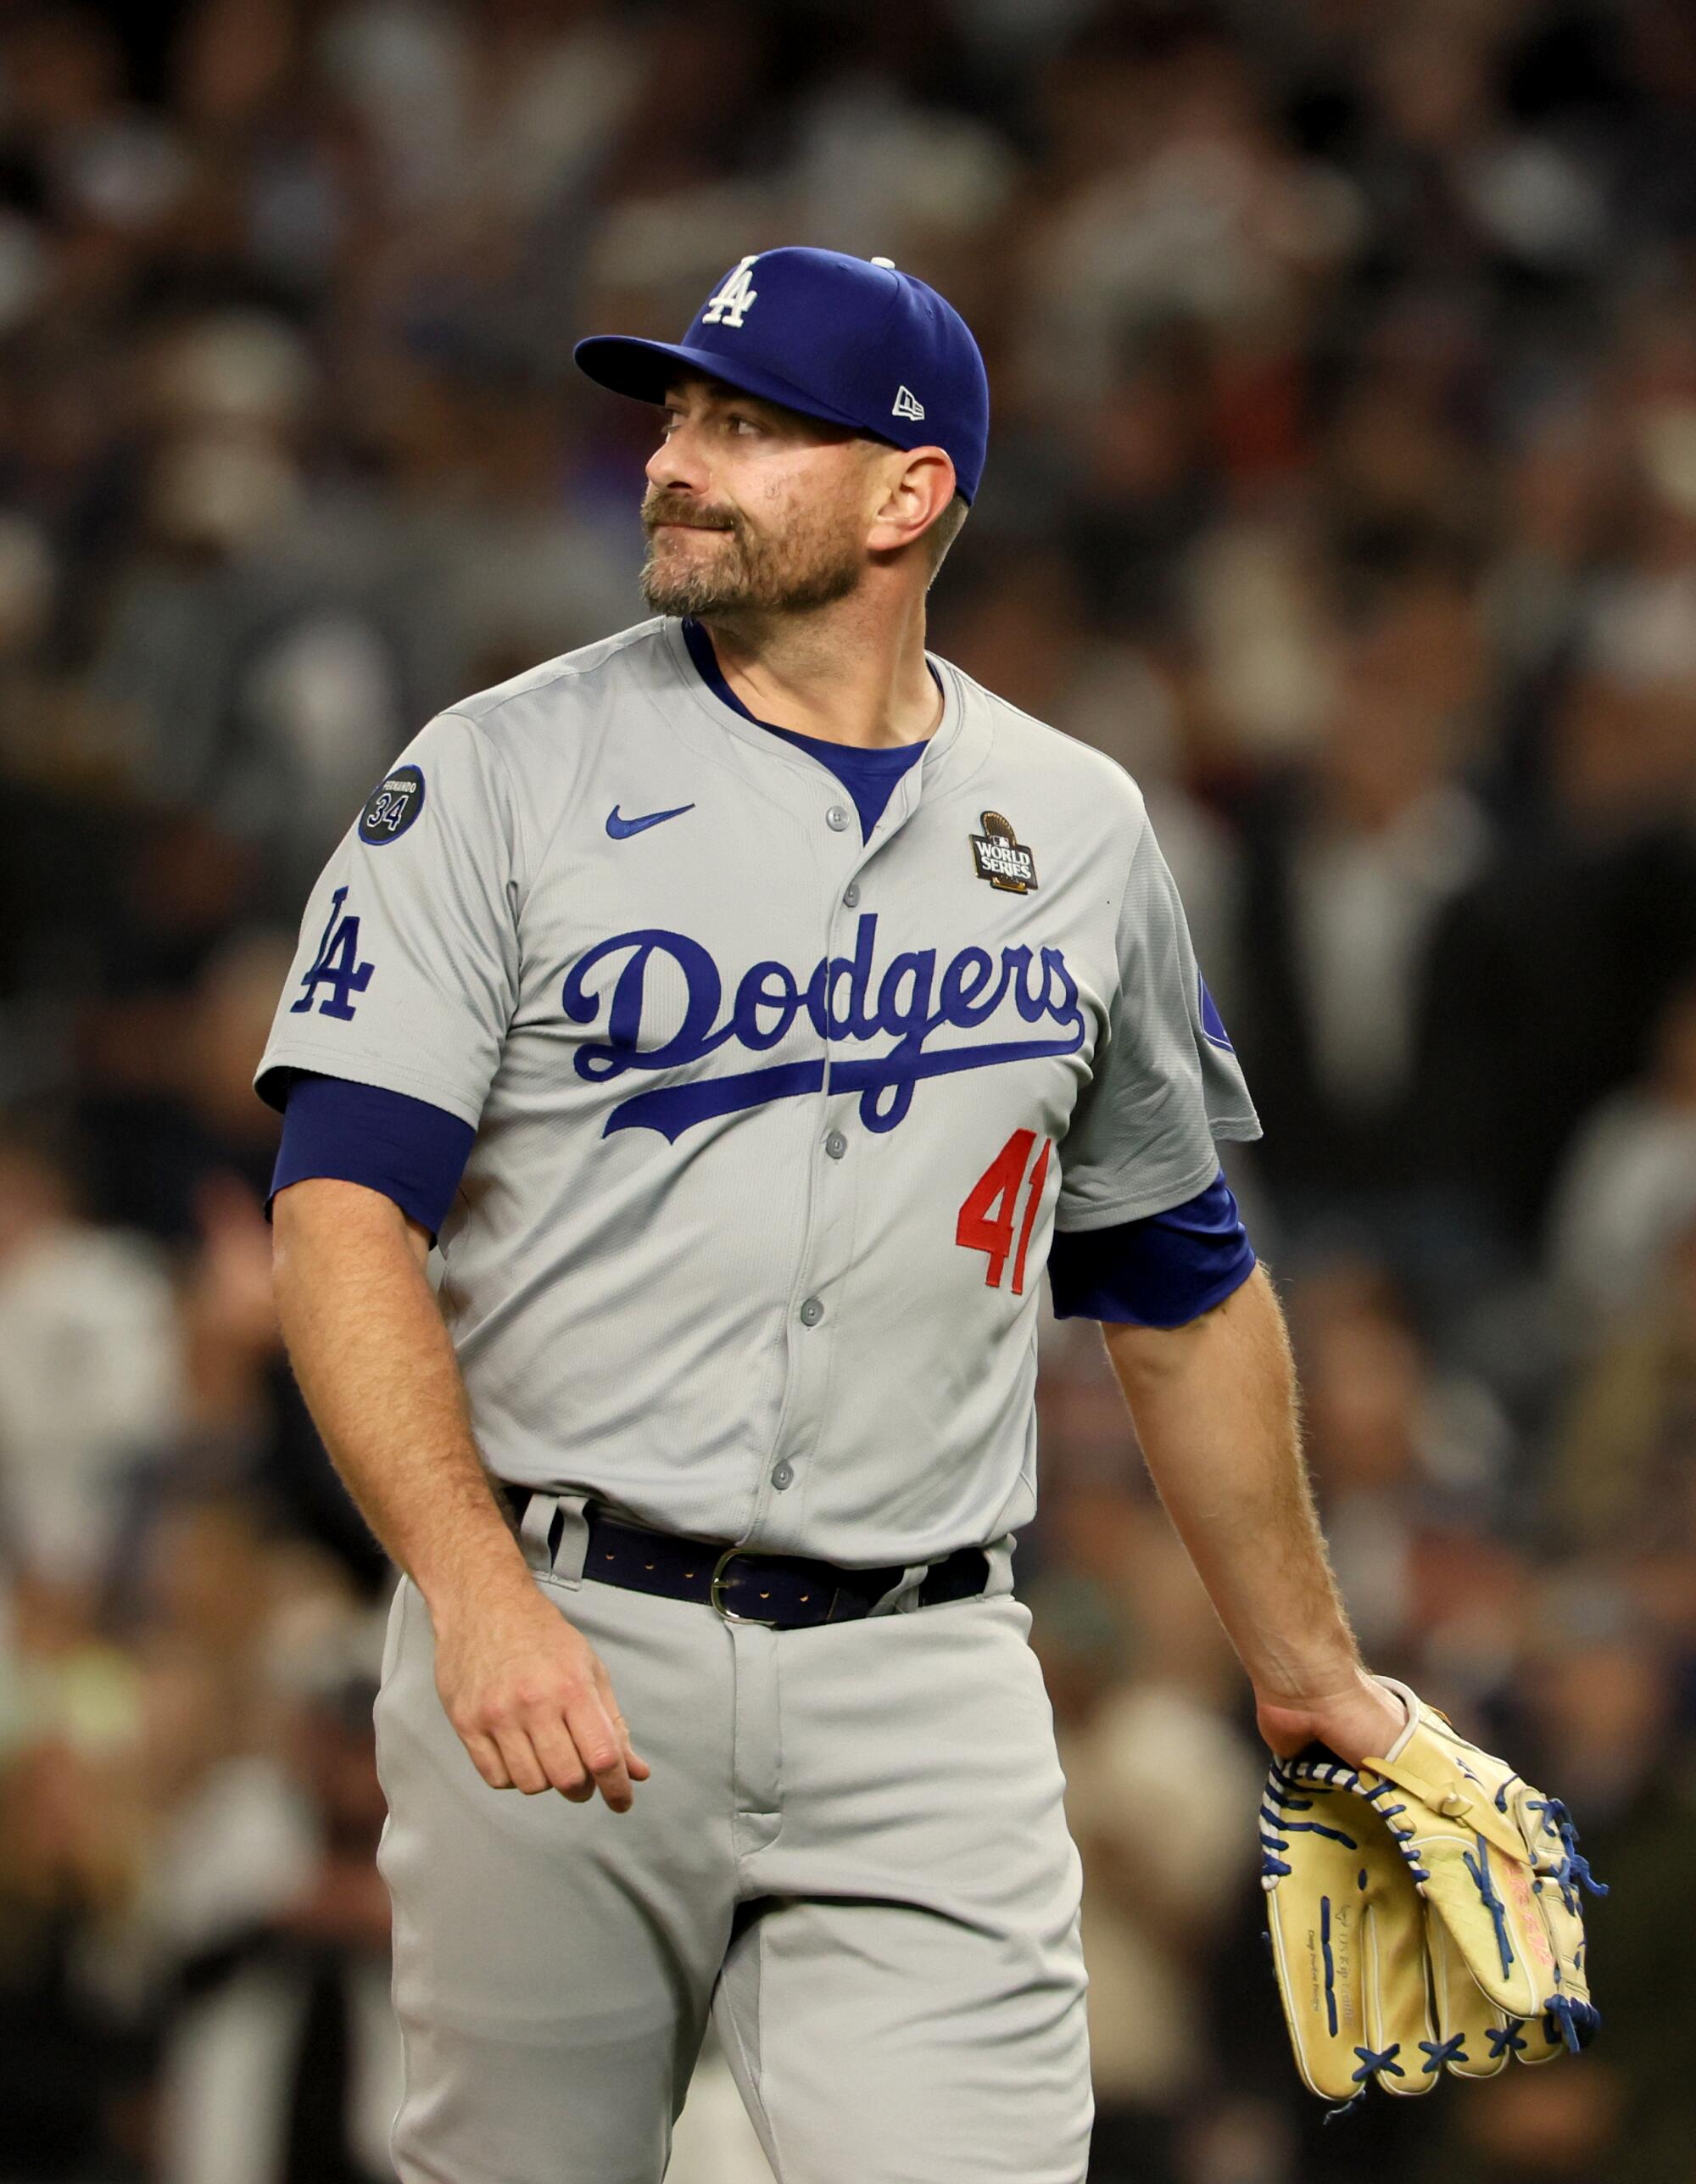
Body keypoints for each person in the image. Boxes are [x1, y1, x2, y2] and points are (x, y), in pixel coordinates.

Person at [258, 247, 1405, 2184]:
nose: (674, 462)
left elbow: (1179, 1285)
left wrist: (1311, 1667)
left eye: (748, 425)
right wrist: (474, 1592)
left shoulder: (1079, 825)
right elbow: (342, 1205)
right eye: (678, 414)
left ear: (909, 490)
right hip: (565, 1631)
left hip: (928, 1665)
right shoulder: (499, 773)